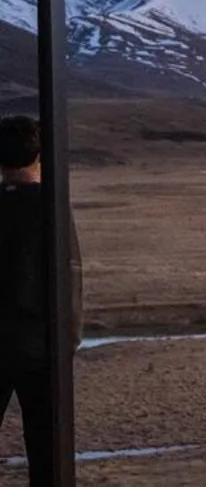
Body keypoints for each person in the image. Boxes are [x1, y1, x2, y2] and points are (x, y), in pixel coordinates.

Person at [0, 115, 80, 487]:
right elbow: (69, 277)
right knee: (47, 450)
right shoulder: (52, 206)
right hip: (40, 346)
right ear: (39, 156)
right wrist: (68, 341)